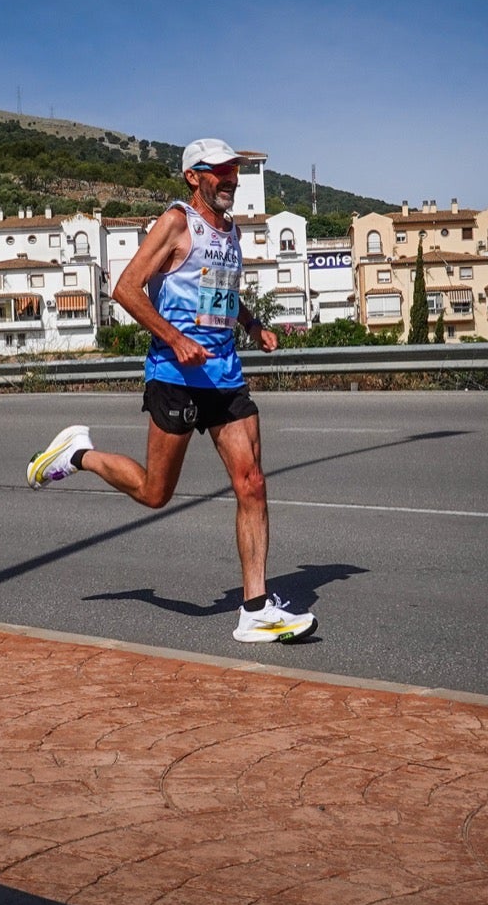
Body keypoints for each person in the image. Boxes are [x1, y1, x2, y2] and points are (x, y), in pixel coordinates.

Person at [26, 138, 316, 643]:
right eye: (219, 171)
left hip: (223, 374)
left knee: (251, 482)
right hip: (175, 376)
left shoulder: (231, 231)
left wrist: (252, 325)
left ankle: (255, 608)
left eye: (234, 171)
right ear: (193, 176)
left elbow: (223, 294)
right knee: (155, 493)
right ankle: (78, 455)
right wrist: (175, 338)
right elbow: (125, 288)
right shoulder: (177, 222)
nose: (230, 179)